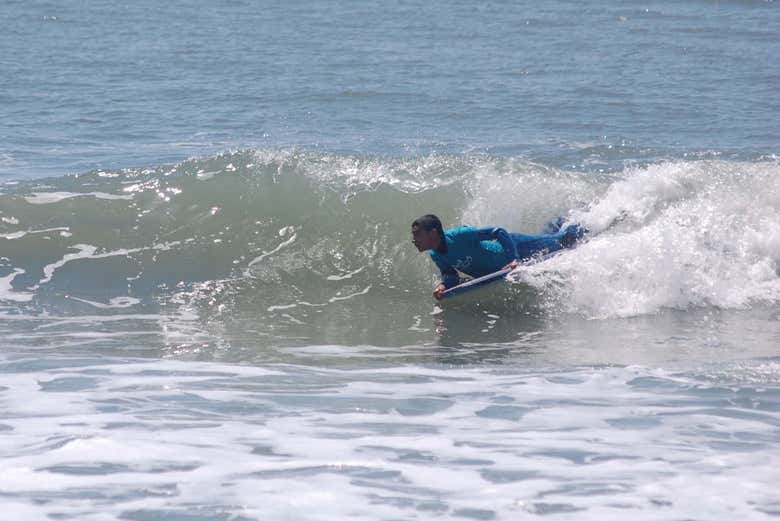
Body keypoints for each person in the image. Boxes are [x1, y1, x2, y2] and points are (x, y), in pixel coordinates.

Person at [411, 214, 585, 299]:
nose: (414, 240)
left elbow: (498, 231)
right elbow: (450, 275)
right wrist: (443, 285)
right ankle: (555, 226)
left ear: (433, 233)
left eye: (417, 235)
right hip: (506, 264)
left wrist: (513, 258)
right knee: (552, 238)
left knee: (562, 240)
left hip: (515, 247)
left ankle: (587, 222)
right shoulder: (435, 254)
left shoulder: (459, 235)